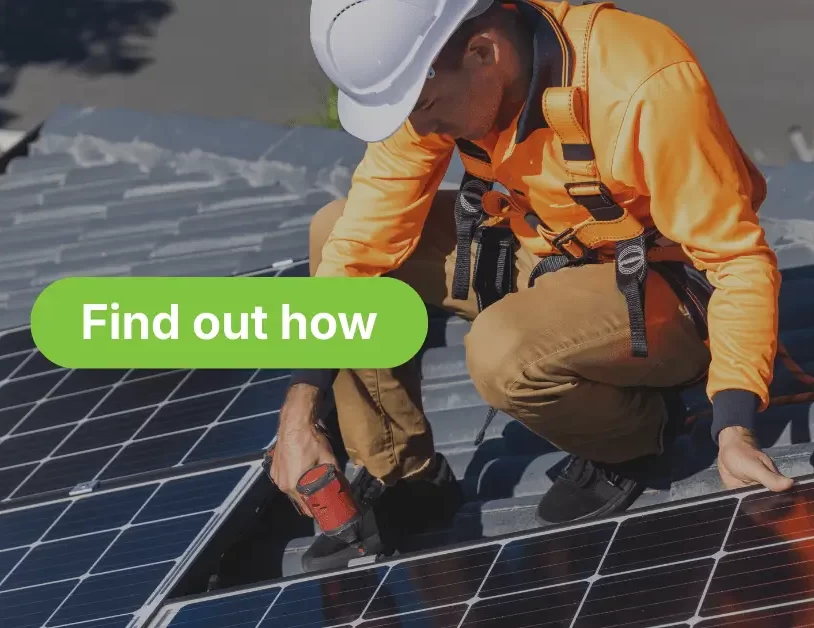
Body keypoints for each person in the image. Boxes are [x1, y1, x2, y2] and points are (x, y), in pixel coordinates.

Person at [269, 0, 796, 573]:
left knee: (503, 352)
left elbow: (736, 262)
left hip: (667, 291)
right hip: (547, 254)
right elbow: (356, 249)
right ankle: (406, 478)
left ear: (483, 51)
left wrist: (734, 427)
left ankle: (636, 434)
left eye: (424, 106)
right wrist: (300, 414)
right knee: (333, 228)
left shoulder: (641, 80)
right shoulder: (441, 79)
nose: (419, 129)